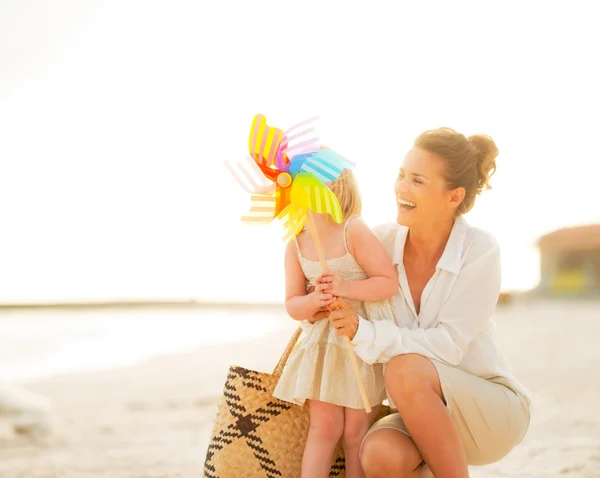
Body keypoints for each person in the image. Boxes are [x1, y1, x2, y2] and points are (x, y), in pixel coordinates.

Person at [324, 128, 531, 478]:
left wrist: (367, 333)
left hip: (489, 412)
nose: (401, 188)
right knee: (379, 455)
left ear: (453, 196)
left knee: (404, 369)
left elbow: (447, 346)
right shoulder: (381, 241)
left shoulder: (478, 249)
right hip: (416, 412)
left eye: (417, 180)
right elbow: (337, 277)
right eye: (401, 175)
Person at [273, 168, 400, 478]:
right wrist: (313, 302)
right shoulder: (296, 242)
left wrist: (346, 288)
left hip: (358, 340)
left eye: (312, 180)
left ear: (337, 185)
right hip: (324, 349)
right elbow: (292, 304)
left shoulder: (353, 230)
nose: (304, 187)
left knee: (357, 430)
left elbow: (387, 282)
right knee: (324, 427)